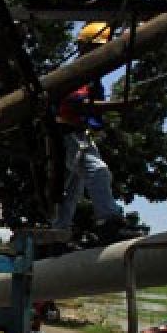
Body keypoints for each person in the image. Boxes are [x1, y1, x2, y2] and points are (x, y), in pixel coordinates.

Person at [52, 22, 143, 244]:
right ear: (87, 49)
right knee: (97, 171)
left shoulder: (88, 75)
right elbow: (78, 104)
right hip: (70, 133)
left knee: (70, 190)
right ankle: (109, 221)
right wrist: (116, 106)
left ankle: (58, 234)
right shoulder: (80, 74)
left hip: (71, 134)